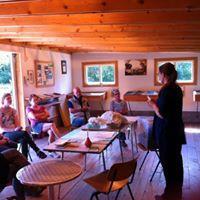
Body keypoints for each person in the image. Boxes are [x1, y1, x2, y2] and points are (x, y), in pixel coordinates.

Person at [147, 63, 186, 200]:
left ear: (164, 75)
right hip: (176, 130)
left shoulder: (167, 90)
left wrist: (152, 104)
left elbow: (162, 113)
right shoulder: (177, 88)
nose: (158, 76)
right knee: (176, 161)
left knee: (168, 164)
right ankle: (176, 193)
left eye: (159, 73)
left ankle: (169, 195)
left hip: (167, 133)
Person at [0, 93, 46, 159]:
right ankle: (37, 150)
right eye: (8, 99)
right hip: (6, 133)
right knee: (24, 133)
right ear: (3, 100)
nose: (10, 100)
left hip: (15, 132)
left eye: (11, 98)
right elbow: (1, 128)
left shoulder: (13, 110)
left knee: (24, 139)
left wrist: (18, 128)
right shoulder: (0, 111)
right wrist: (13, 130)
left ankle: (25, 159)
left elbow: (17, 124)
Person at [26, 94, 60, 158]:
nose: (36, 101)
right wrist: (42, 115)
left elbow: (48, 115)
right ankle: (60, 139)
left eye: (36, 100)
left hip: (45, 123)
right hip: (36, 126)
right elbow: (34, 117)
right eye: (34, 100)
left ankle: (51, 151)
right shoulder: (28, 109)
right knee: (52, 125)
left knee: (51, 132)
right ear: (30, 101)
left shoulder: (41, 107)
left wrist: (38, 116)